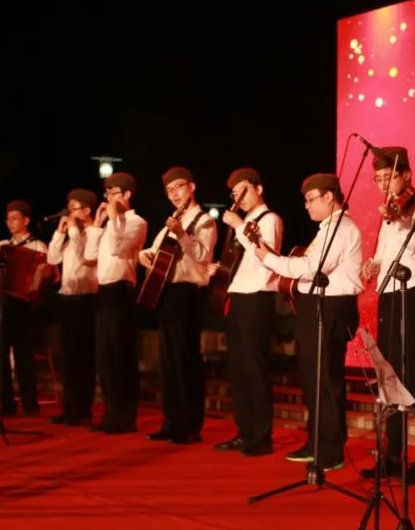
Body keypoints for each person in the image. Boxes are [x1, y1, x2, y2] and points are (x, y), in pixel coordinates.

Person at [254, 173, 362, 471]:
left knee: (325, 377)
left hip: (332, 306)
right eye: (305, 200)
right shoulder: (327, 228)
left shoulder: (342, 228)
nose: (306, 205)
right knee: (313, 377)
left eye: (311, 199)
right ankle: (316, 441)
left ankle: (330, 449)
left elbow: (314, 267)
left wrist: (269, 259)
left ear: (330, 197)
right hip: (316, 306)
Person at [359, 146, 415, 485]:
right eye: (377, 179)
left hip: (414, 294)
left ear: (406, 175)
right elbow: (384, 254)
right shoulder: (389, 212)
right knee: (388, 374)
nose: (383, 184)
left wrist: (403, 216)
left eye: (388, 177)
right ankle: (392, 456)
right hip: (389, 293)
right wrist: (372, 265)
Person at [140, 167, 217, 444]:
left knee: (186, 359)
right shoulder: (171, 222)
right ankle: (171, 422)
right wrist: (145, 256)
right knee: (168, 362)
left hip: (187, 293)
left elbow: (203, 256)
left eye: (179, 187)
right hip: (167, 293)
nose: (174, 194)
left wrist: (182, 234)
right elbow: (155, 251)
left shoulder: (204, 221)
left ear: (192, 187)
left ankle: (190, 425)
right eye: (169, 190)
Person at [211, 167, 283, 456]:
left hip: (257, 297)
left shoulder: (270, 219)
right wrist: (218, 269)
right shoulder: (243, 223)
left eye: (243, 190)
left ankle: (262, 436)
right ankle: (244, 431)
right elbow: (238, 262)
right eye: (234, 193)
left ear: (259, 189)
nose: (238, 198)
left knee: (254, 367)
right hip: (238, 297)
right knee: (238, 370)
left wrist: (239, 226)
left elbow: (267, 257)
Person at [86, 173, 147, 434]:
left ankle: (125, 416)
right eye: (107, 194)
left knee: (121, 354)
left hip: (122, 291)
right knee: (105, 356)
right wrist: (97, 224)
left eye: (114, 194)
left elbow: (117, 249)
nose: (109, 198)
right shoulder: (108, 226)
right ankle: (111, 414)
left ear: (127, 195)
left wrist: (113, 220)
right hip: (104, 291)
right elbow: (89, 255)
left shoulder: (136, 222)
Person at [0, 200, 48, 416]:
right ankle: (6, 404)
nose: (10, 223)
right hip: (5, 303)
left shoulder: (38, 246)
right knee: (1, 355)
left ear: (26, 221)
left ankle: (30, 404)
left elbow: (45, 272)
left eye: (15, 219)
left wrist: (37, 281)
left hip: (26, 306)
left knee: (24, 354)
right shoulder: (3, 246)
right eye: (8, 219)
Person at [46, 189, 99, 426]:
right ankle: (69, 408)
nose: (69, 213)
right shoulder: (70, 235)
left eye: (74, 208)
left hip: (85, 300)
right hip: (67, 299)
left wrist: (74, 230)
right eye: (69, 208)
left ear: (87, 210)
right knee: (68, 357)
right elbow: (52, 259)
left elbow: (84, 255)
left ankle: (83, 410)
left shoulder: (95, 233)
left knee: (83, 357)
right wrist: (60, 232)